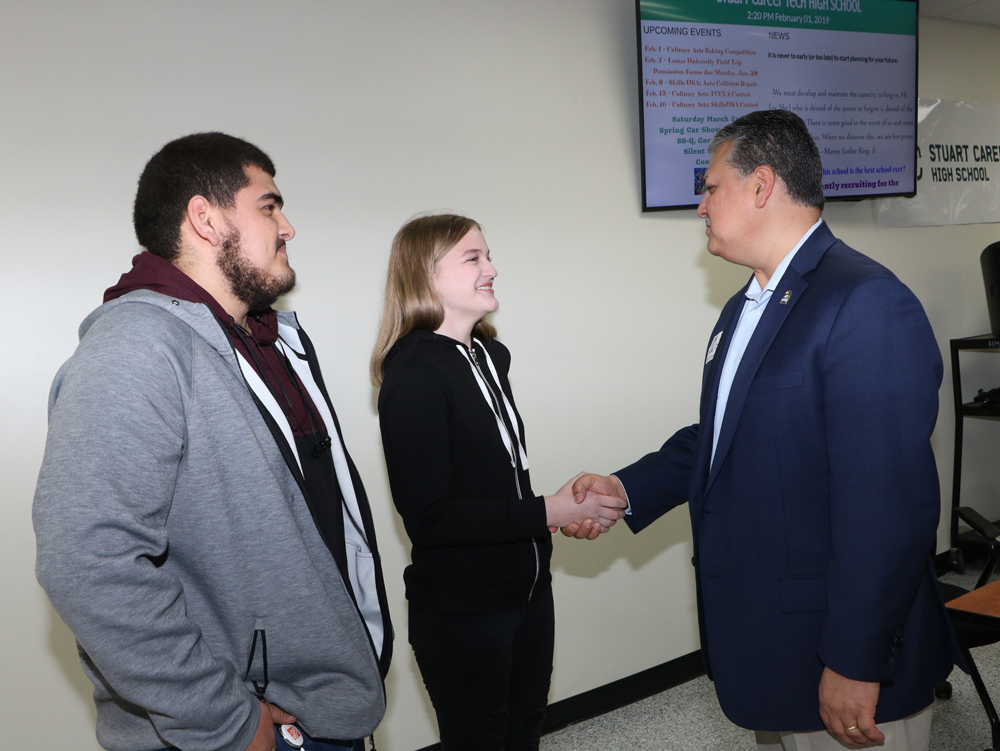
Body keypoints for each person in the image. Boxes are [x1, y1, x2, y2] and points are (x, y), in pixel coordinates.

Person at [569, 110, 964, 750]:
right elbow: (726, 436)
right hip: (775, 644)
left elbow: (887, 505)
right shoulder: (744, 305)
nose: (699, 206)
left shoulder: (866, 303)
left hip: (841, 653)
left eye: (710, 186)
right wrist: (624, 487)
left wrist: (855, 659)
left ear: (760, 185)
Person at [33, 132, 391, 751]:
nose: (288, 227)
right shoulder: (136, 348)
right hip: (244, 730)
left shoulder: (265, 344)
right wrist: (224, 721)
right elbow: (87, 561)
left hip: (319, 714)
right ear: (205, 218)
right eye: (269, 205)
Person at [370, 214, 626, 751]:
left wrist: (561, 508)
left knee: (524, 734)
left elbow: (496, 485)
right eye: (473, 258)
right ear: (426, 275)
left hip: (529, 593)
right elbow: (430, 518)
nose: (492, 268)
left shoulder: (490, 355)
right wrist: (547, 512)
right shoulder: (414, 373)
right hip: (465, 613)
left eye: (488, 255)